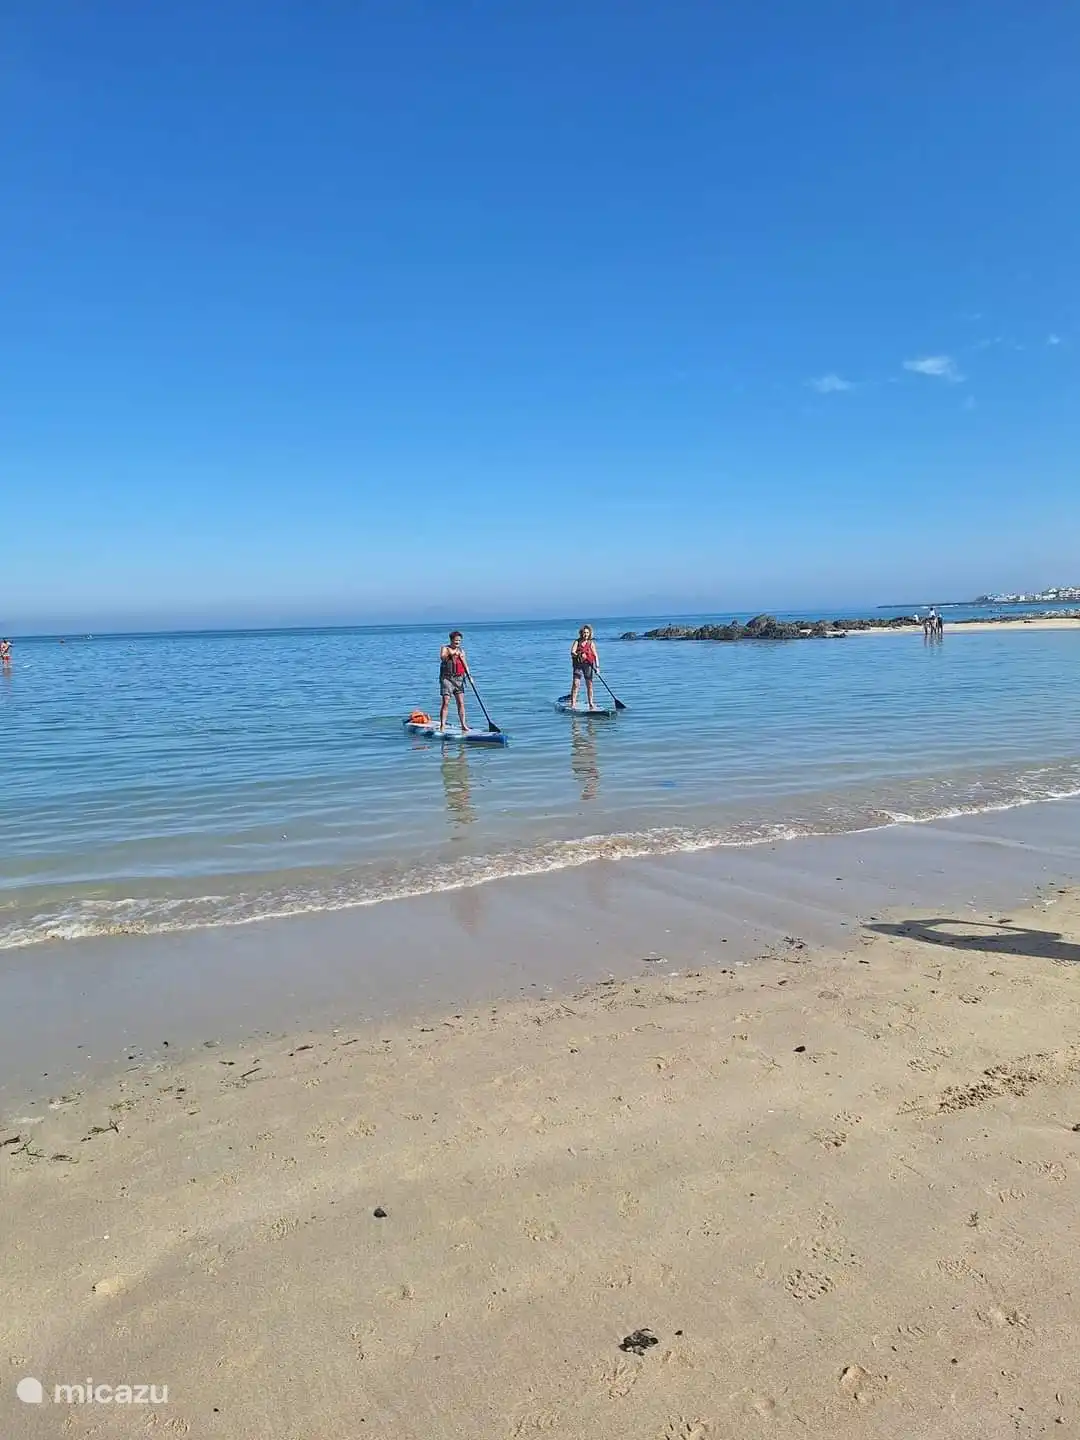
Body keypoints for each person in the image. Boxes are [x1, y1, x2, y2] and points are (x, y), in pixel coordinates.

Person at [439, 630, 470, 731]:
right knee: (446, 701)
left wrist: (469, 676)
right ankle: (442, 725)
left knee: (461, 702)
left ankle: (463, 725)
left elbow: (465, 664)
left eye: (459, 641)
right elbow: (442, 657)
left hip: (459, 679)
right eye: (456, 640)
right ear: (451, 640)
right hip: (447, 678)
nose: (458, 642)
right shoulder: (445, 648)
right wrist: (451, 653)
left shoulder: (461, 651)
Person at [569, 624, 600, 710]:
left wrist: (597, 668)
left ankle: (591, 703)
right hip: (578, 665)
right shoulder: (577, 641)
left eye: (587, 633)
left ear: (589, 633)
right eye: (584, 633)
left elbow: (595, 655)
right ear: (581, 633)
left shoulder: (591, 643)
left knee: (589, 684)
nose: (585, 634)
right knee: (576, 684)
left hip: (588, 665)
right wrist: (580, 654)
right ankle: (573, 704)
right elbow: (572, 652)